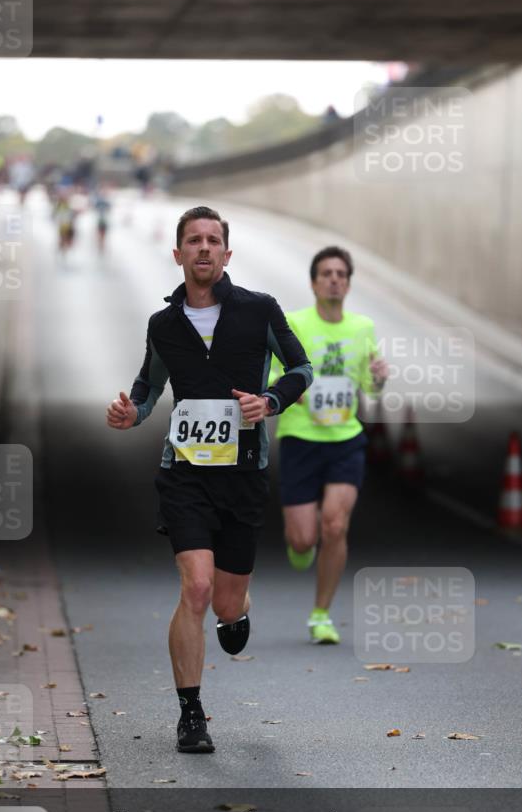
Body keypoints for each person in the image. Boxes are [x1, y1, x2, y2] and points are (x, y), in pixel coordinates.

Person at [106, 206, 312, 753]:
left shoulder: (259, 310)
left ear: (226, 253)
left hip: (243, 477)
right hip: (186, 475)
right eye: (193, 241)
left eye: (212, 240)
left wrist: (268, 401)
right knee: (194, 587)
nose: (203, 248)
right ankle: (191, 714)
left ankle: (238, 609)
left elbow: (301, 369)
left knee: (223, 602)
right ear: (178, 254)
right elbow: (148, 387)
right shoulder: (164, 325)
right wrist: (133, 413)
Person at [272, 246, 389, 644]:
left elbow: (369, 384)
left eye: (341, 273)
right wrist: (296, 392)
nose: (334, 279)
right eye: (326, 273)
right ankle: (300, 548)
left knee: (335, 525)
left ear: (349, 283)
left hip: (345, 439)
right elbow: (274, 373)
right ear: (313, 282)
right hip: (301, 438)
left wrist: (379, 377)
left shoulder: (362, 328)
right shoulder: (294, 324)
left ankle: (321, 613)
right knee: (303, 538)